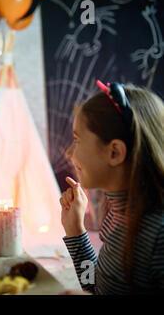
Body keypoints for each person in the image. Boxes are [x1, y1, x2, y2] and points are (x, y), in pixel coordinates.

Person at [60, 80, 164, 294]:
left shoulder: (158, 236)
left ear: (115, 152)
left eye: (77, 140)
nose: (69, 153)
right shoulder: (118, 214)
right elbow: (93, 284)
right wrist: (75, 231)